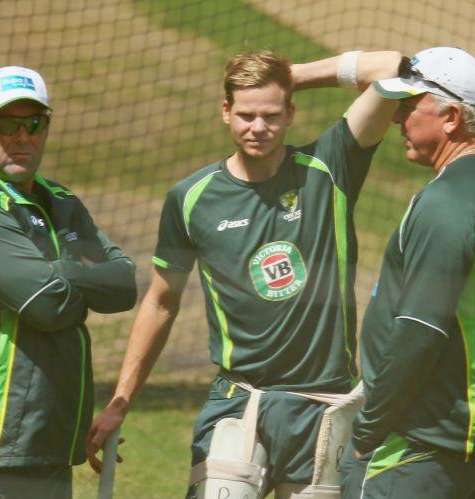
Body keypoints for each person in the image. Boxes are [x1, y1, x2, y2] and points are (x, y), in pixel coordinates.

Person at [87, 49, 403, 497]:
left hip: (322, 405)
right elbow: (160, 301)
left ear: (291, 112)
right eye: (246, 114)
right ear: (225, 112)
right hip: (238, 401)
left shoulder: (330, 168)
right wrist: (121, 401)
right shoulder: (191, 198)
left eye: (272, 114)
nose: (258, 127)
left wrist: (291, 76)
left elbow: (390, 68)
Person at [0, 66, 137, 498]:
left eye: (35, 123)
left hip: (49, 443)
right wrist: (72, 282)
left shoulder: (59, 200)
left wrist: (58, 271)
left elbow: (123, 285)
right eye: (7, 123)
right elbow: (50, 306)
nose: (23, 136)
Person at [341, 47, 475, 498]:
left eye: (410, 107)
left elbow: (420, 328)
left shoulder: (449, 201)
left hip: (418, 445)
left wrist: (367, 431)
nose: (397, 120)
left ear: (450, 116)